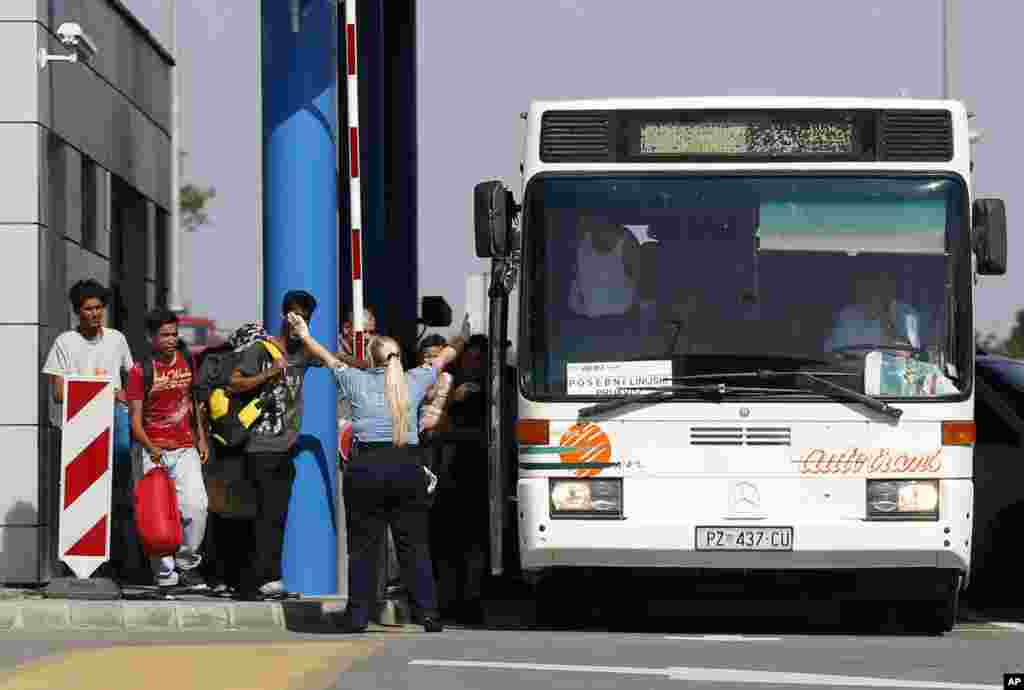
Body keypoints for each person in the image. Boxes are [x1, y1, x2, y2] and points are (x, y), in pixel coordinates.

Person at [289, 313, 464, 633]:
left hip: (366, 468)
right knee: (414, 546)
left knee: (363, 547)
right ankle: (429, 614)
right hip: (407, 466)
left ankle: (357, 616)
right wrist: (461, 336)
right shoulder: (415, 379)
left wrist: (304, 333)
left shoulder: (355, 379)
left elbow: (325, 356)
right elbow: (447, 356)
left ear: (369, 359)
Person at [42, 279, 143, 582]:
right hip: (78, 424)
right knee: (79, 492)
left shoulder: (116, 339)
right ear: (77, 312)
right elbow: (58, 393)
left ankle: (120, 563)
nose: (95, 314)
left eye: (99, 308)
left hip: (115, 419)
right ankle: (79, 562)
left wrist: (129, 399)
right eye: (88, 309)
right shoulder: (64, 342)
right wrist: (99, 390)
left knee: (120, 489)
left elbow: (132, 377)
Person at [227, 290, 323, 600]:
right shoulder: (261, 350)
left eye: (306, 318)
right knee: (262, 517)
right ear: (284, 315)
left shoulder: (303, 352)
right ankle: (252, 583)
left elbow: (336, 360)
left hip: (285, 449)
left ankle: (267, 580)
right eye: (296, 316)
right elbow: (234, 382)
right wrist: (270, 372)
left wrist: (375, 362)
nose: (300, 322)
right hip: (258, 447)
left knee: (275, 517)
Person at [125, 309, 209, 590]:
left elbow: (194, 402)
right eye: (165, 335)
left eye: (174, 334)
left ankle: (187, 565)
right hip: (153, 451)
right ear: (151, 338)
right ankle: (164, 575)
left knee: (196, 508)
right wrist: (151, 449)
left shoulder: (188, 361)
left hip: (185, 447)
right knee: (156, 515)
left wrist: (201, 438)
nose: (171, 339)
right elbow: (135, 421)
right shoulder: (140, 371)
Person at [825, 273, 922, 354]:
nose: (876, 295)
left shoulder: (905, 313)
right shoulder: (848, 316)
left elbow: (912, 353)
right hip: (851, 372)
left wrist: (888, 322)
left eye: (884, 285)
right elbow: (833, 356)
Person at [568, 214, 641, 318]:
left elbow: (639, 284)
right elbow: (576, 278)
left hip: (622, 320)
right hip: (587, 319)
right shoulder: (581, 240)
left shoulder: (627, 243)